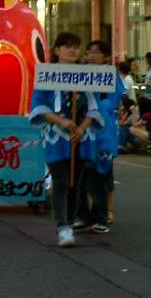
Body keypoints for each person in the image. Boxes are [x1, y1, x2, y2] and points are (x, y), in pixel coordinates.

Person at [29, 32, 103, 247]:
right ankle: (63, 226)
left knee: (75, 183)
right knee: (61, 180)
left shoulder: (87, 75)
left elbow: (94, 106)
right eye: (67, 46)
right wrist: (61, 122)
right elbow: (38, 106)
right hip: (56, 137)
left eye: (76, 47)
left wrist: (81, 126)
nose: (72, 50)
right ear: (57, 50)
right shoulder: (46, 75)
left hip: (80, 136)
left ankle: (69, 221)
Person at [74, 40, 123, 234]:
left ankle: (101, 216)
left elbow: (111, 103)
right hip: (82, 134)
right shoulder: (81, 74)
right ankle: (83, 216)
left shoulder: (111, 76)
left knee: (99, 178)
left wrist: (91, 108)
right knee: (81, 178)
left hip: (102, 135)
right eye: (89, 52)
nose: (91, 55)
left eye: (96, 52)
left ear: (105, 57)